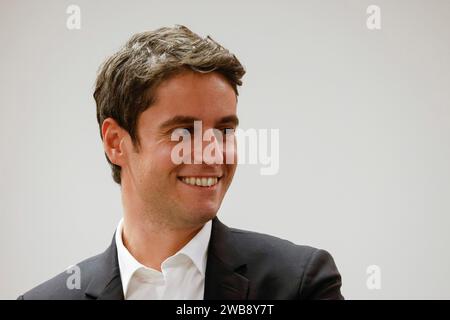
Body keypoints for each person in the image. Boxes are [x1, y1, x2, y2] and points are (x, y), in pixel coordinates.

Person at [19, 25, 343, 300]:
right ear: (116, 142)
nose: (213, 153)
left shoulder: (300, 286)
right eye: (183, 132)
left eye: (224, 130)